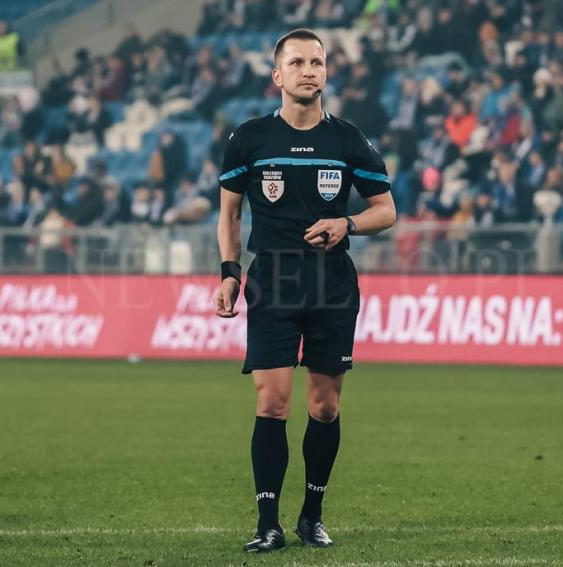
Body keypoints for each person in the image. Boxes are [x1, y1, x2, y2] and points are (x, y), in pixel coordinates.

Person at [214, 29, 396, 553]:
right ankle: (266, 523)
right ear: (278, 75)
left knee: (325, 407)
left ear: (326, 72)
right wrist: (229, 272)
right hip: (272, 279)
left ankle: (311, 516)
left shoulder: (347, 139)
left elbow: (387, 209)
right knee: (272, 403)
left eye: (317, 61)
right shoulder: (248, 138)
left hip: (331, 282)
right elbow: (228, 215)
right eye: (297, 62)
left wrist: (349, 225)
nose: (309, 70)